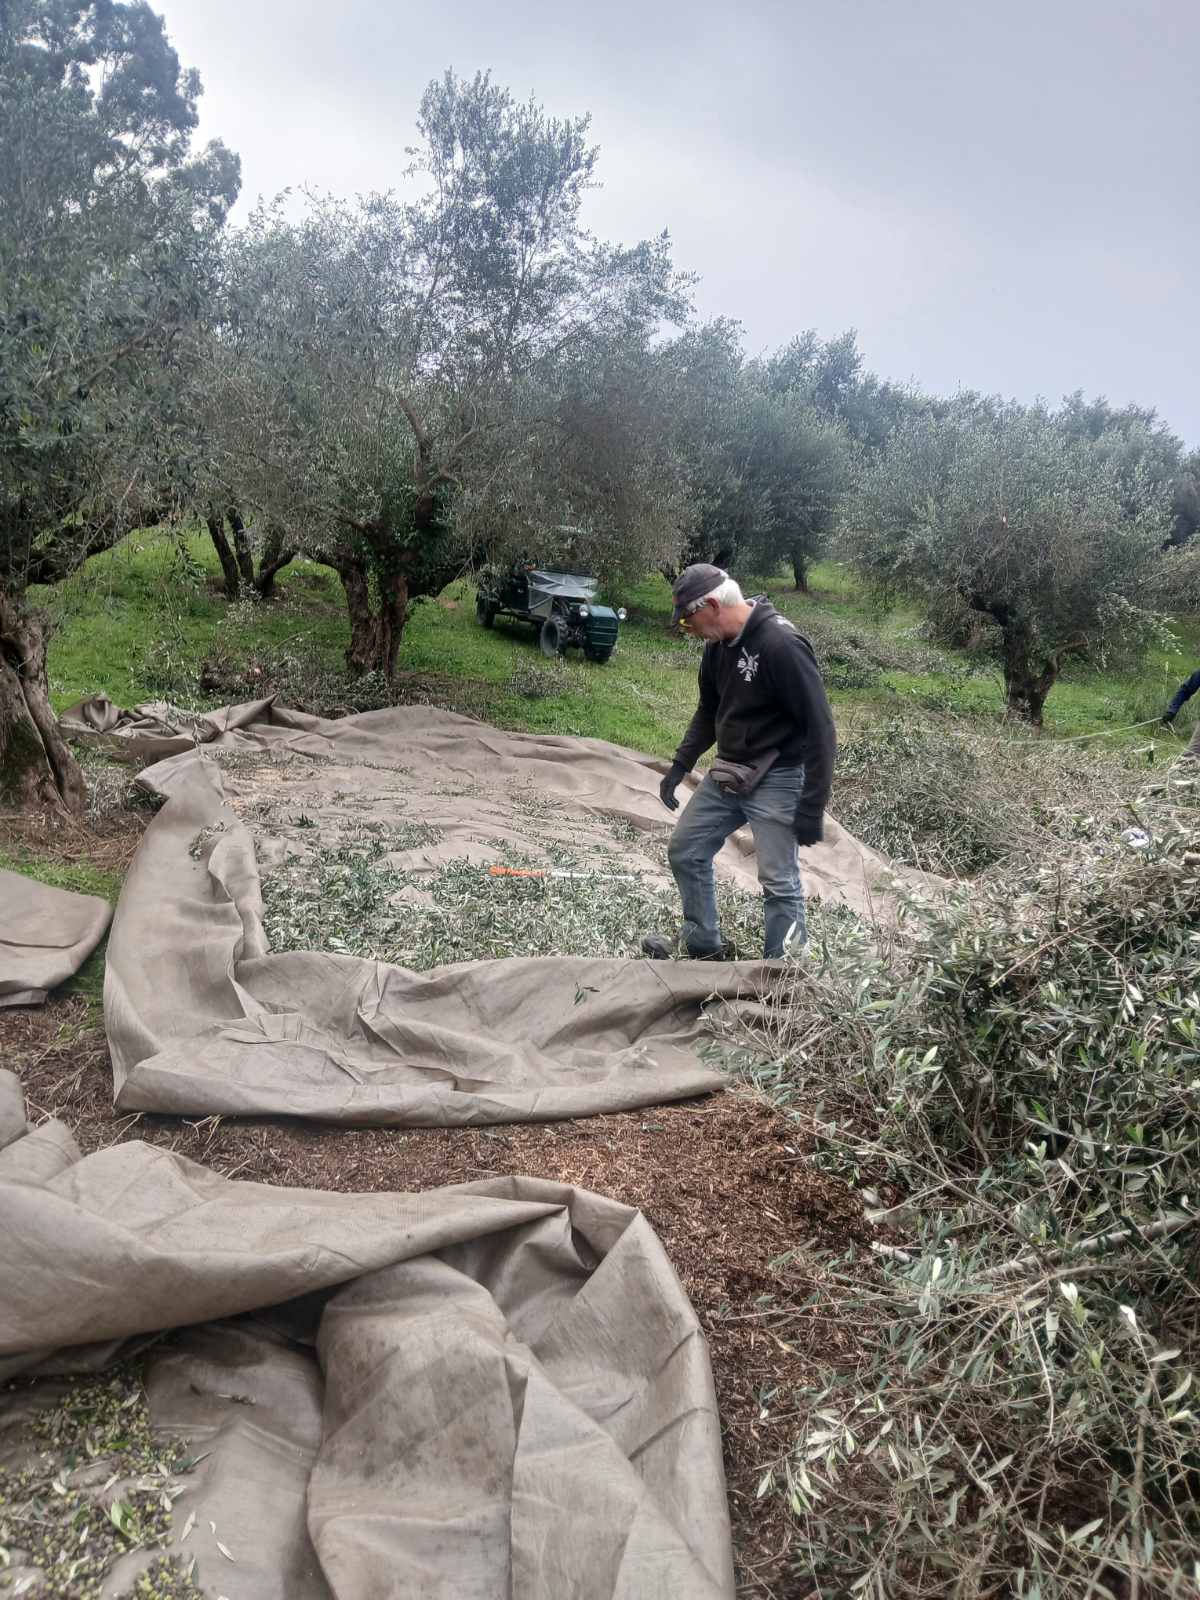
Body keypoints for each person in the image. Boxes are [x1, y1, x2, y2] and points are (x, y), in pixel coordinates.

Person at [642, 563, 836, 962]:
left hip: (778, 776)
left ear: (712, 605)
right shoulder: (716, 646)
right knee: (686, 849)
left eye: (688, 620)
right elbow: (708, 710)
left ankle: (783, 977)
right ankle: (704, 948)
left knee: (778, 881)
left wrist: (812, 806)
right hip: (730, 772)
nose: (687, 629)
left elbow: (821, 730)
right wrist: (680, 765)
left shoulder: (782, 645)